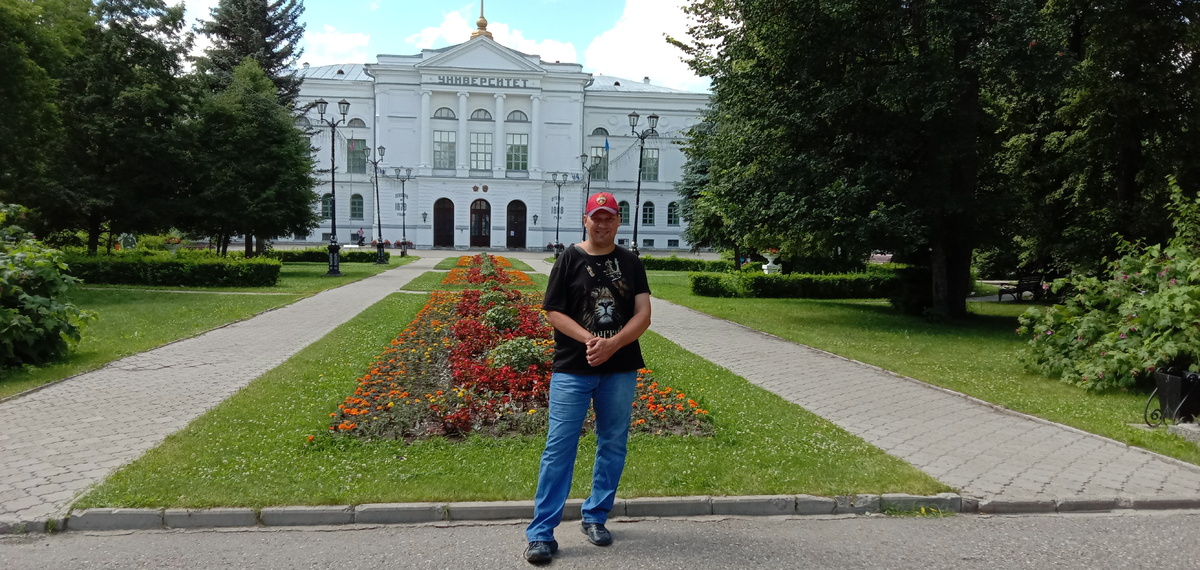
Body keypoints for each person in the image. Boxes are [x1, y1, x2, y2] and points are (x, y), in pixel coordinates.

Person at [524, 191, 652, 564]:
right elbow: (553, 310)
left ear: (618, 221)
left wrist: (614, 345)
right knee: (559, 448)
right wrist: (592, 341)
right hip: (573, 368)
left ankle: (595, 516)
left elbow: (643, 314)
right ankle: (541, 533)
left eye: (609, 217)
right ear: (586, 220)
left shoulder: (630, 262)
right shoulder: (569, 258)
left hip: (619, 368)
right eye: (597, 217)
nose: (603, 224)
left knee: (612, 444)